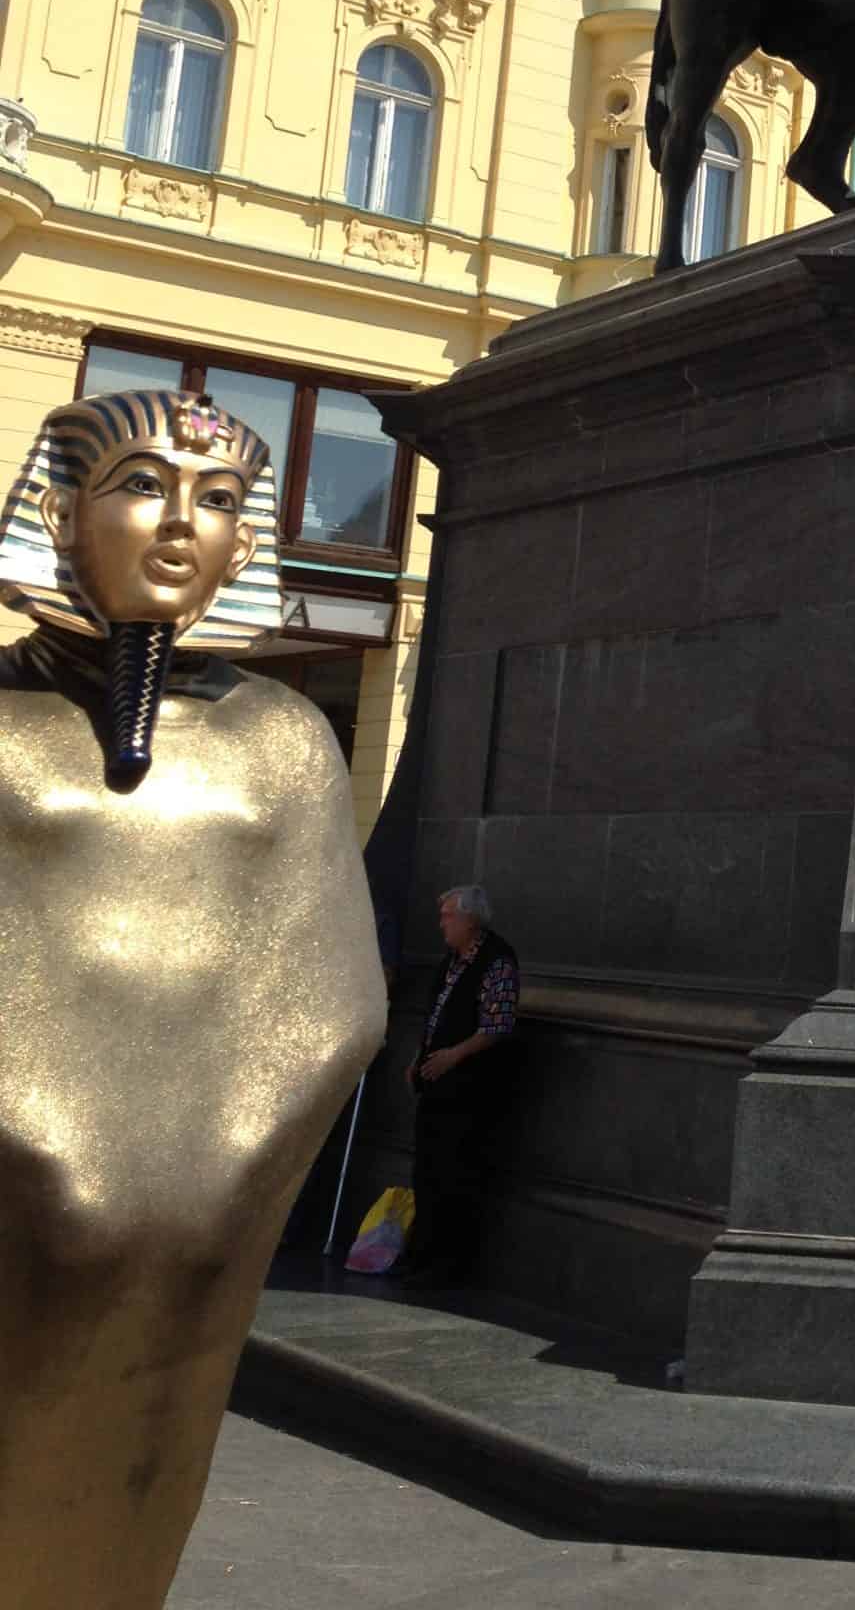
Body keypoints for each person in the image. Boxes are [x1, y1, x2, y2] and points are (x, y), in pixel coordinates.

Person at [0, 388, 385, 1607]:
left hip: (191, 1218)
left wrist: (212, 1164)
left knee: (127, 1478)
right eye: (141, 485)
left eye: (217, 500)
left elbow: (329, 994)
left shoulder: (284, 740)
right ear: (59, 513)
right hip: (18, 1176)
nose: (180, 523)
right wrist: (47, 1143)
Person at [404, 883, 519, 1281]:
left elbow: (498, 1025)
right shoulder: (451, 961)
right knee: (427, 1170)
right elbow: (436, 1014)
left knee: (454, 1173)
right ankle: (420, 1255)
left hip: (468, 1087)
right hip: (435, 1083)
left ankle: (445, 1264)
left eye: (447, 916)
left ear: (470, 919)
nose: (442, 925)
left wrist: (454, 1055)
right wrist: (419, 1057)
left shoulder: (496, 961)